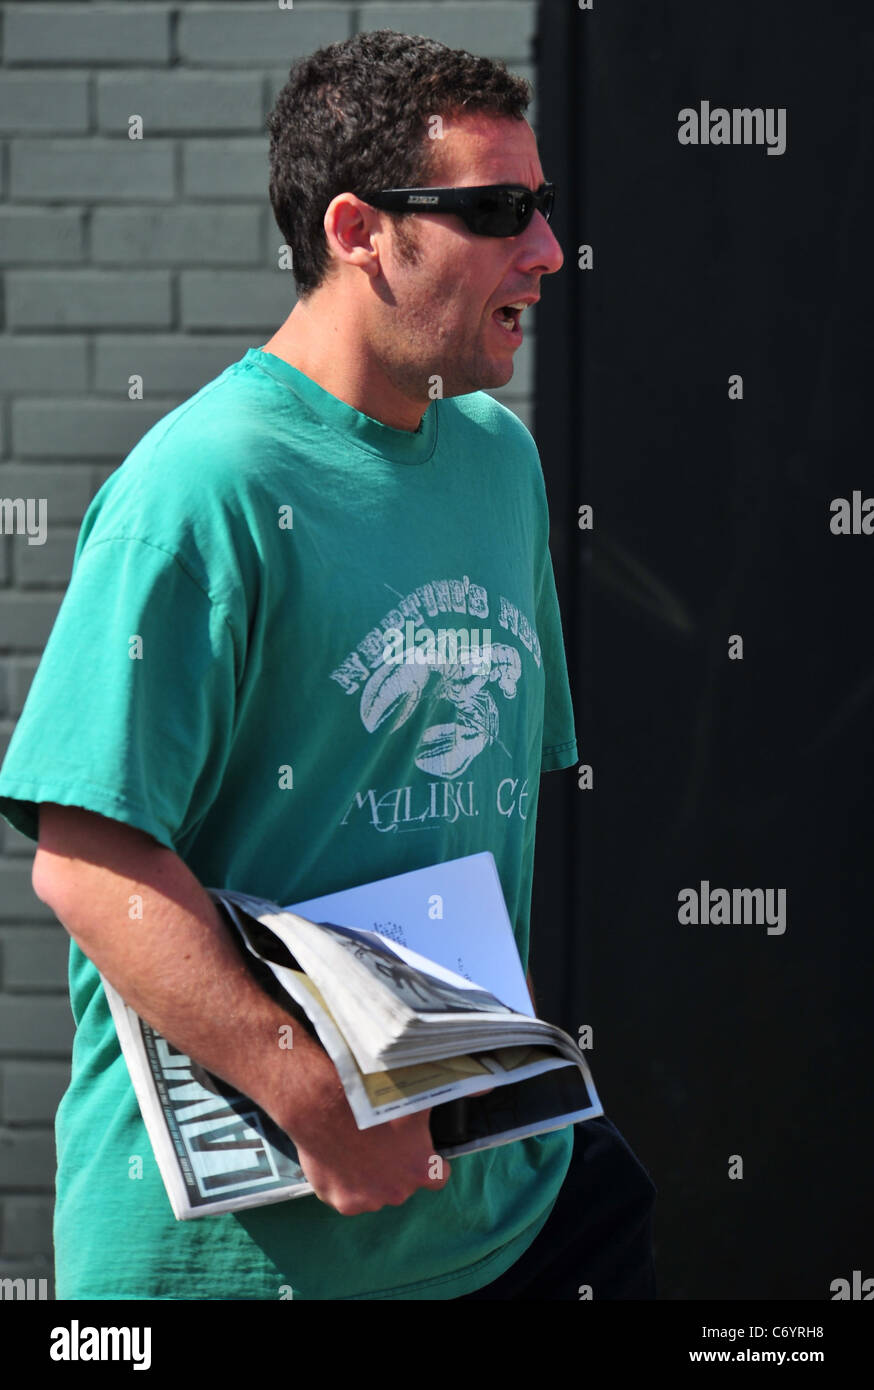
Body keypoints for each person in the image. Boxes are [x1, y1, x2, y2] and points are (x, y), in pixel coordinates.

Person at [0, 29, 655, 1300]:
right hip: (244, 1261)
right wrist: (314, 1093)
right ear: (358, 230)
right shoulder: (201, 492)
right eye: (494, 210)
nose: (545, 250)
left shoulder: (495, 462)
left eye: (544, 206)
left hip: (500, 1212)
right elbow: (85, 862)